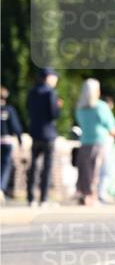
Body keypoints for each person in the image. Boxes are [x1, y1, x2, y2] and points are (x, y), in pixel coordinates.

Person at [75, 79, 115, 206]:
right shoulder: (101, 107)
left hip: (84, 142)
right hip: (100, 142)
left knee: (85, 171)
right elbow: (111, 127)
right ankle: (94, 197)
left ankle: (85, 194)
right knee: (98, 171)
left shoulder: (80, 107)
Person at [26, 67, 61, 207]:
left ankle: (30, 198)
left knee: (33, 166)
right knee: (47, 167)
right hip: (48, 134)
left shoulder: (32, 92)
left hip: (35, 132)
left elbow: (28, 109)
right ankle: (43, 198)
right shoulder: (50, 92)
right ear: (48, 78)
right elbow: (54, 114)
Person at [0, 87, 24, 200]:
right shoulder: (9, 110)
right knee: (5, 167)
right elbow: (16, 127)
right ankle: (1, 188)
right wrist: (20, 142)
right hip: (6, 142)